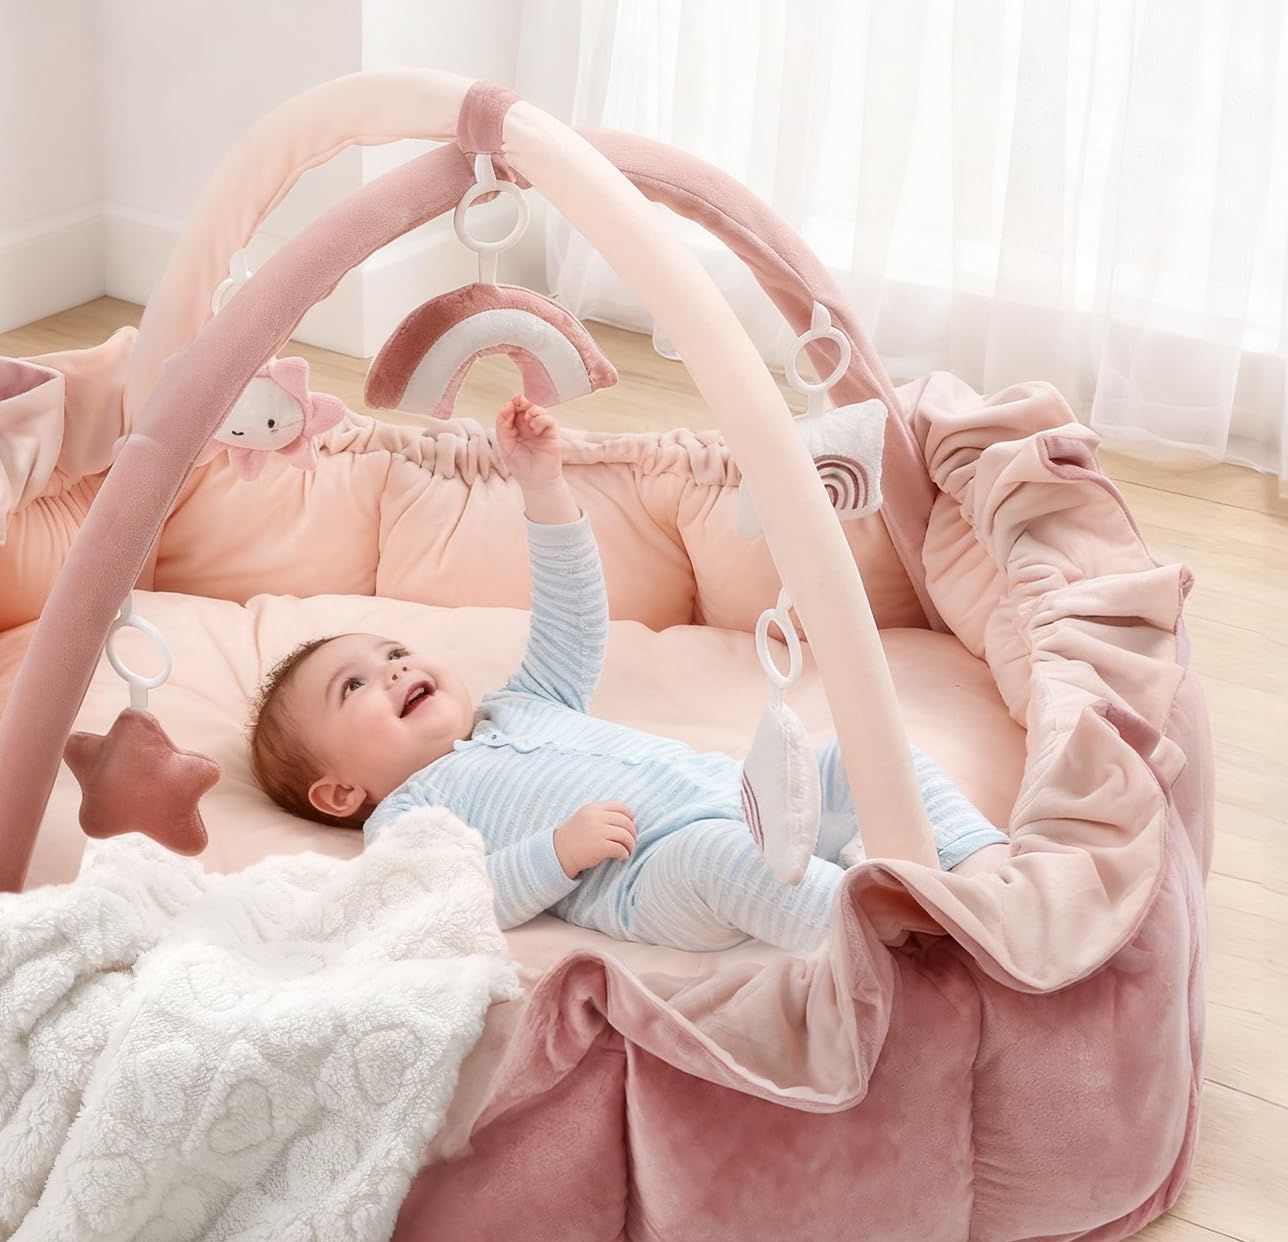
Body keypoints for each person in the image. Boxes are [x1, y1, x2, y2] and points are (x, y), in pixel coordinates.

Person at [247, 395, 1005, 953]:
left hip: (741, 795)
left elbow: (572, 613)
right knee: (726, 863)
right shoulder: (408, 819)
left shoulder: (524, 703)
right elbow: (454, 904)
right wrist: (556, 853)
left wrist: (544, 488)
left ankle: (991, 872)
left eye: (392, 653)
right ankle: (890, 933)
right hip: (652, 875)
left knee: (861, 756)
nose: (393, 670)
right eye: (353, 687)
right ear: (341, 792)